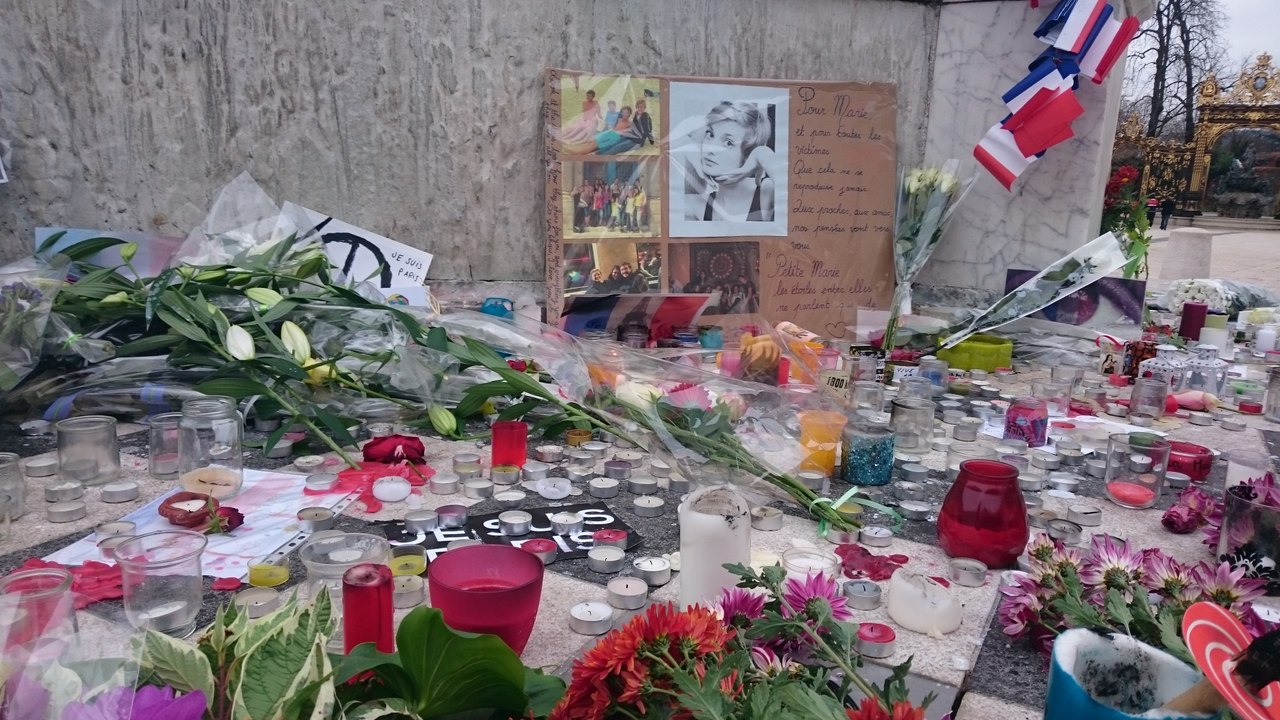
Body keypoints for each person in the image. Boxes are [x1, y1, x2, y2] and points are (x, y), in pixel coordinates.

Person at [679, 101, 782, 222]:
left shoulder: (766, 191)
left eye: (728, 143)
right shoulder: (694, 205)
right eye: (710, 134)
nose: (711, 149)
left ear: (748, 154)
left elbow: (798, 190)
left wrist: (762, 153)